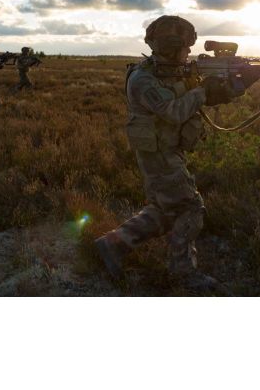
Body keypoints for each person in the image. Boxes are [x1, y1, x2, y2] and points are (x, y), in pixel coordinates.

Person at [95, 15, 232, 290]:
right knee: (191, 208)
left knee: (167, 208)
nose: (189, 53)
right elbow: (173, 111)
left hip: (168, 148)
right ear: (171, 48)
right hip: (157, 152)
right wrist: (203, 91)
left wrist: (230, 85)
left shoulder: (173, 71)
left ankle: (112, 245)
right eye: (185, 48)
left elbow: (188, 94)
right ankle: (183, 272)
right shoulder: (143, 79)